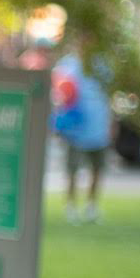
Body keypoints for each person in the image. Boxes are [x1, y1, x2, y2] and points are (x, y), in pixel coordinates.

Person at [51, 35, 113, 223]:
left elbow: (108, 95)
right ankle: (71, 206)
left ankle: (91, 207)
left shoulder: (101, 66)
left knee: (97, 169)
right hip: (76, 130)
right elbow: (60, 92)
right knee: (73, 170)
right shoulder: (68, 65)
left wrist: (111, 123)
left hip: (99, 127)